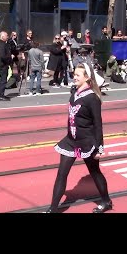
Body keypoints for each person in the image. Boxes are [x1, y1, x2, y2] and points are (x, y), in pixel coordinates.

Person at [45, 62, 112, 213]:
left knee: (95, 172)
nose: (74, 77)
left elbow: (98, 124)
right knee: (61, 174)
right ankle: (52, 209)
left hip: (87, 143)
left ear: (87, 78)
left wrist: (100, 147)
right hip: (71, 141)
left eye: (77, 75)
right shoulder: (74, 93)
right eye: (74, 74)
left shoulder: (92, 98)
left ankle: (106, 201)